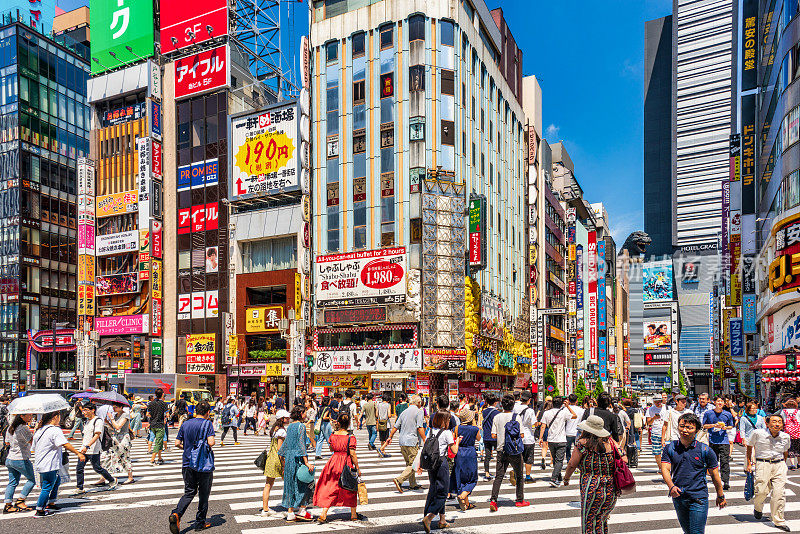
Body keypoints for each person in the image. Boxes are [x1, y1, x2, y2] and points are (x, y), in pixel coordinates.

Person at [563, 415, 619, 534]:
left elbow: (572, 464)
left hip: (592, 486)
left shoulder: (583, 444)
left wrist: (566, 478)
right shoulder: (610, 443)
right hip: (611, 487)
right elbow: (624, 458)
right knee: (601, 520)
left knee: (589, 522)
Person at [168, 401, 216, 534]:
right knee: (204, 494)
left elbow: (177, 443)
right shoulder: (208, 424)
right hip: (203, 464)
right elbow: (211, 442)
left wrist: (188, 449)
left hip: (187, 463)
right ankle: (200, 522)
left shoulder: (186, 424)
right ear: (207, 412)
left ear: (196, 411)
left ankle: (177, 514)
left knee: (189, 492)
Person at [32, 411, 85, 516]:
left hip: (41, 462)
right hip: (49, 463)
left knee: (56, 480)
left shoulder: (39, 431)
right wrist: (78, 453)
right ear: (55, 417)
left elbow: (33, 448)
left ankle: (51, 503)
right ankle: (40, 509)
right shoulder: (55, 430)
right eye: (59, 416)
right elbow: (65, 444)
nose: (60, 418)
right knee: (47, 486)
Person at [313, 412, 364, 523]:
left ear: (339, 423)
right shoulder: (351, 437)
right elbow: (352, 454)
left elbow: (331, 449)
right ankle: (353, 515)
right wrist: (358, 468)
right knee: (350, 488)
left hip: (333, 462)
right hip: (346, 462)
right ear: (349, 423)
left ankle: (324, 513)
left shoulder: (333, 435)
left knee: (331, 487)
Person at [746, 414, 791, 531]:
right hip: (763, 464)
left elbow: (785, 451)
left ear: (782, 424)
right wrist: (749, 463)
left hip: (779, 464)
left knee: (779, 493)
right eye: (774, 421)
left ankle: (779, 520)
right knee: (761, 491)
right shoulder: (758, 433)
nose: (777, 424)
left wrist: (783, 464)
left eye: (779, 422)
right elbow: (749, 446)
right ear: (767, 423)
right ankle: (758, 508)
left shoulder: (785, 436)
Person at [489, 394, 529, 511]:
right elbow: (521, 434)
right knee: (519, 475)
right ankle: (519, 500)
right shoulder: (516, 417)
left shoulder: (497, 417)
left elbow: (493, 435)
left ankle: (493, 500)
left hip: (501, 450)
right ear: (512, 405)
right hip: (514, 450)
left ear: (502, 404)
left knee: (499, 476)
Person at [421, 411, 459, 534]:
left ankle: (442, 520)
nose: (449, 422)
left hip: (431, 465)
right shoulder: (447, 433)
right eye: (448, 420)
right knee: (443, 493)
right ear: (444, 421)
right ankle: (430, 517)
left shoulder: (430, 431)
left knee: (435, 489)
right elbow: (454, 450)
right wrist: (457, 441)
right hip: (441, 463)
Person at [278, 406, 315, 522]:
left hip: (289, 458)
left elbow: (286, 444)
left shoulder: (290, 427)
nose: (305, 415)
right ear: (300, 413)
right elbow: (302, 445)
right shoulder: (301, 426)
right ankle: (302, 510)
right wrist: (307, 462)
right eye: (304, 413)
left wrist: (283, 459)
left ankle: (290, 513)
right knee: (305, 482)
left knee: (290, 484)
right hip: (298, 458)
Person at [382, 394, 425, 493]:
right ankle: (399, 480)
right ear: (419, 403)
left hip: (402, 441)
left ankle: (413, 484)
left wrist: (390, 437)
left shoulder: (404, 412)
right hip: (411, 441)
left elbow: (396, 426)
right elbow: (420, 427)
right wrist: (425, 439)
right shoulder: (419, 411)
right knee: (414, 464)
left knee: (409, 463)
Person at [75, 402, 116, 494]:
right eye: (84, 410)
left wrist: (87, 446)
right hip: (84, 449)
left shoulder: (98, 421)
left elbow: (97, 435)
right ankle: (80, 487)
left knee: (97, 468)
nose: (84, 412)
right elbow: (86, 435)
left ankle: (112, 480)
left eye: (86, 410)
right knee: (79, 468)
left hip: (93, 449)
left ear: (93, 410)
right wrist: (83, 446)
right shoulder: (87, 421)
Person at [541, 396, 578, 487]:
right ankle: (554, 478)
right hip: (561, 440)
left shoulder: (546, 413)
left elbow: (543, 426)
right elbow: (575, 416)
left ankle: (559, 478)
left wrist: (541, 437)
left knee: (555, 460)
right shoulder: (564, 412)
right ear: (561, 403)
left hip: (551, 440)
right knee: (559, 461)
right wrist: (568, 406)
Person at [4, 413, 35, 513]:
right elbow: (32, 442)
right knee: (32, 480)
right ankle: (20, 501)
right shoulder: (23, 428)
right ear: (22, 416)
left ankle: (8, 505)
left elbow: (7, 442)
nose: (31, 417)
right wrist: (36, 430)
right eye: (29, 415)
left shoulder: (11, 427)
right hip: (20, 458)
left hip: (10, 458)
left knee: (12, 482)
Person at [702, 396, 735, 490]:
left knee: (725, 461)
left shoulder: (727, 414)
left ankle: (726, 481)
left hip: (724, 440)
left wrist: (725, 427)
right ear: (714, 402)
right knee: (713, 462)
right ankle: (715, 479)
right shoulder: (708, 413)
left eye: (722, 401)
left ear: (724, 403)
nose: (720, 403)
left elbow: (731, 426)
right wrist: (713, 425)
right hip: (712, 440)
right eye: (718, 401)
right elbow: (704, 425)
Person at [261, 409, 290, 516]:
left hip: (270, 458)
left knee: (268, 484)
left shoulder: (275, 429)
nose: (288, 418)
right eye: (286, 417)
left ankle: (265, 509)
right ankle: (291, 507)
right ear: (281, 419)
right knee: (288, 482)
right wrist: (284, 463)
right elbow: (280, 449)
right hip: (277, 460)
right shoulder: (282, 431)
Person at [452, 407, 479, 511]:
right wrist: (475, 423)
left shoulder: (457, 428)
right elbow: (478, 438)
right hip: (470, 452)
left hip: (459, 452)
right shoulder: (474, 429)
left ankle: (466, 504)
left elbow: (454, 438)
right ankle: (463, 495)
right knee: (472, 478)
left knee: (462, 477)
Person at [103, 402, 134, 485]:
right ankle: (103, 478)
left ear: (121, 407)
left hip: (123, 439)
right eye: (113, 407)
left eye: (116, 407)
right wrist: (108, 422)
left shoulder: (125, 415)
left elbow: (118, 427)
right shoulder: (116, 415)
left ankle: (130, 477)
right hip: (116, 438)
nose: (114, 409)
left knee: (125, 457)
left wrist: (111, 419)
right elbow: (114, 427)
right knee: (109, 457)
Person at [513, 391, 538, 483]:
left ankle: (517, 475)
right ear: (529, 400)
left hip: (517, 436)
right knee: (528, 458)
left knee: (518, 458)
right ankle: (527, 477)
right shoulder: (530, 410)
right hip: (528, 437)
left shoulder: (514, 408)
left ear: (521, 397)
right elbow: (533, 423)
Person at [148, 388, 170, 465]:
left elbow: (148, 414)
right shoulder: (164, 404)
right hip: (160, 425)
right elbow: (167, 415)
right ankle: (152, 459)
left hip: (152, 424)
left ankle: (160, 458)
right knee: (158, 442)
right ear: (162, 394)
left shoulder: (151, 403)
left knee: (159, 442)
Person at [481, 394, 500, 480]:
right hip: (495, 436)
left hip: (486, 436)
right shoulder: (497, 413)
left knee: (487, 456)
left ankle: (487, 473)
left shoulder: (484, 412)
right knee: (499, 455)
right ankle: (499, 472)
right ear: (495, 403)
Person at [647, 395, 667, 470]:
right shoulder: (650, 409)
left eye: (660, 401)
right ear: (654, 401)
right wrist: (654, 418)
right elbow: (649, 423)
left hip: (666, 433)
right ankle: (661, 468)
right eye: (656, 401)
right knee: (657, 453)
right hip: (655, 432)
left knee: (667, 452)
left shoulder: (667, 408)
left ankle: (665, 468)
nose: (658, 403)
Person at [779, 399, 800, 469]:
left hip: (788, 432)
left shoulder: (783, 411)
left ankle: (792, 464)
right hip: (797, 432)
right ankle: (799, 464)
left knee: (790, 448)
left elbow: (781, 420)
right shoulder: (798, 411)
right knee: (798, 448)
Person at [566, 393, 586, 462]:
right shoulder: (581, 410)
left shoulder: (565, 409)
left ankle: (569, 462)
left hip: (567, 432)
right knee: (578, 450)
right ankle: (577, 463)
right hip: (578, 432)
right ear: (577, 401)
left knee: (567, 450)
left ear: (568, 400)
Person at [377, 393, 392, 457]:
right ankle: (381, 449)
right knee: (387, 439)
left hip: (380, 423)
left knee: (382, 438)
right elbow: (389, 415)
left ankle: (383, 452)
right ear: (388, 400)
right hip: (386, 424)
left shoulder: (378, 405)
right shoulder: (388, 405)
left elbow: (376, 415)